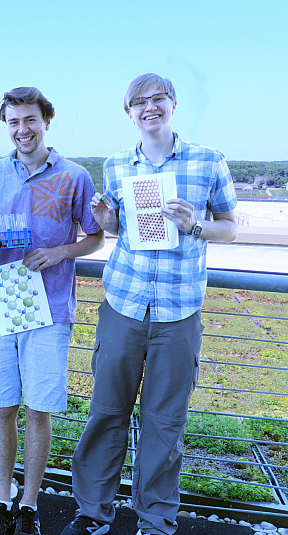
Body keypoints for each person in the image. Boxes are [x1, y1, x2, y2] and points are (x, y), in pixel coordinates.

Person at [61, 73, 237, 535]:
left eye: (158, 99)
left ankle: (155, 519)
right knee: (106, 412)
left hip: (179, 312)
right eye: (139, 102)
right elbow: (121, 230)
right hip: (124, 304)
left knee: (165, 422)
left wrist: (194, 225)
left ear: (173, 104)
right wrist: (107, 219)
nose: (149, 107)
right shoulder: (117, 165)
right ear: (129, 113)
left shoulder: (208, 161)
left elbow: (230, 227)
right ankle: (93, 512)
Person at [0, 87, 104, 535]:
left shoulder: (74, 176)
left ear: (46, 121)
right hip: (0, 301)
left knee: (39, 409)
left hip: (50, 304)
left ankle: (29, 505)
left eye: (30, 120)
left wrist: (61, 252)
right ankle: (2, 501)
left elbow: (94, 236)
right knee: (2, 407)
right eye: (13, 121)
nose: (22, 129)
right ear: (5, 125)